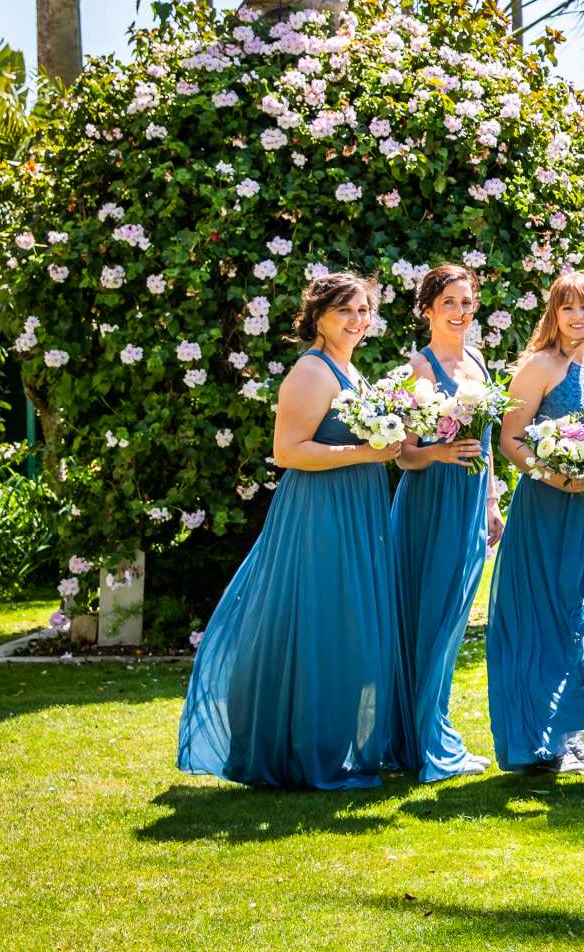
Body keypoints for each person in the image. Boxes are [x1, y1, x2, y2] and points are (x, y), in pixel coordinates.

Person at [178, 271, 408, 788]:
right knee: (319, 621)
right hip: (321, 512)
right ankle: (301, 751)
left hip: (357, 508)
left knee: (347, 623)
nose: (356, 320)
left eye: (363, 311)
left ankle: (332, 742)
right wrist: (365, 453)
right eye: (345, 310)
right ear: (319, 317)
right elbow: (287, 451)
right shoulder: (312, 371)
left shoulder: (351, 370)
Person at [488, 271, 584, 775]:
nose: (578, 317)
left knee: (580, 619)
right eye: (568, 308)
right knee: (542, 617)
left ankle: (568, 729)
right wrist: (551, 475)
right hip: (546, 508)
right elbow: (510, 440)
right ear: (554, 313)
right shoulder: (538, 367)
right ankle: (539, 741)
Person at [390, 262, 505, 781]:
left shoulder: (479, 362)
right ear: (429, 309)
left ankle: (428, 733)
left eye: (467, 302)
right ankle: (427, 745)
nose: (460, 312)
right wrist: (437, 455)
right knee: (427, 619)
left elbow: (484, 443)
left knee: (453, 620)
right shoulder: (421, 366)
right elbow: (403, 455)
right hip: (429, 504)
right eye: (450, 303)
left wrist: (491, 502)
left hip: (468, 504)